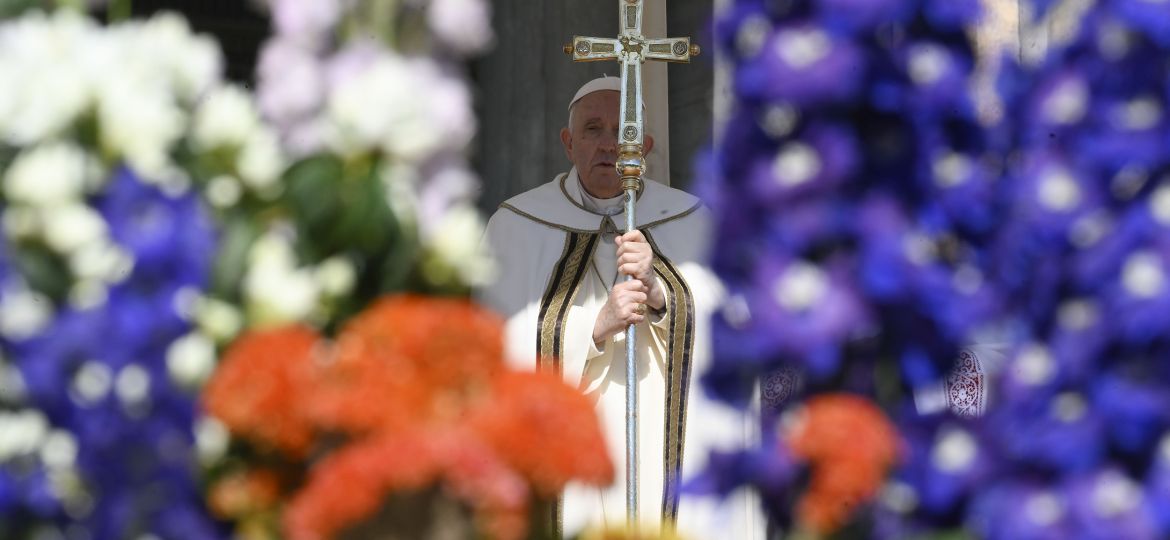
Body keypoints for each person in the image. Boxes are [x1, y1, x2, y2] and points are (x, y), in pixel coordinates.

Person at [477, 76, 762, 538]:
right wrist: (592, 326)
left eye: (624, 132)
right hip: (574, 442)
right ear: (568, 143)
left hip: (662, 435)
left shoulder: (693, 220)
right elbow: (493, 350)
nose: (610, 144)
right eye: (593, 129)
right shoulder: (516, 224)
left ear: (646, 145)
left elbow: (737, 334)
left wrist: (663, 295)